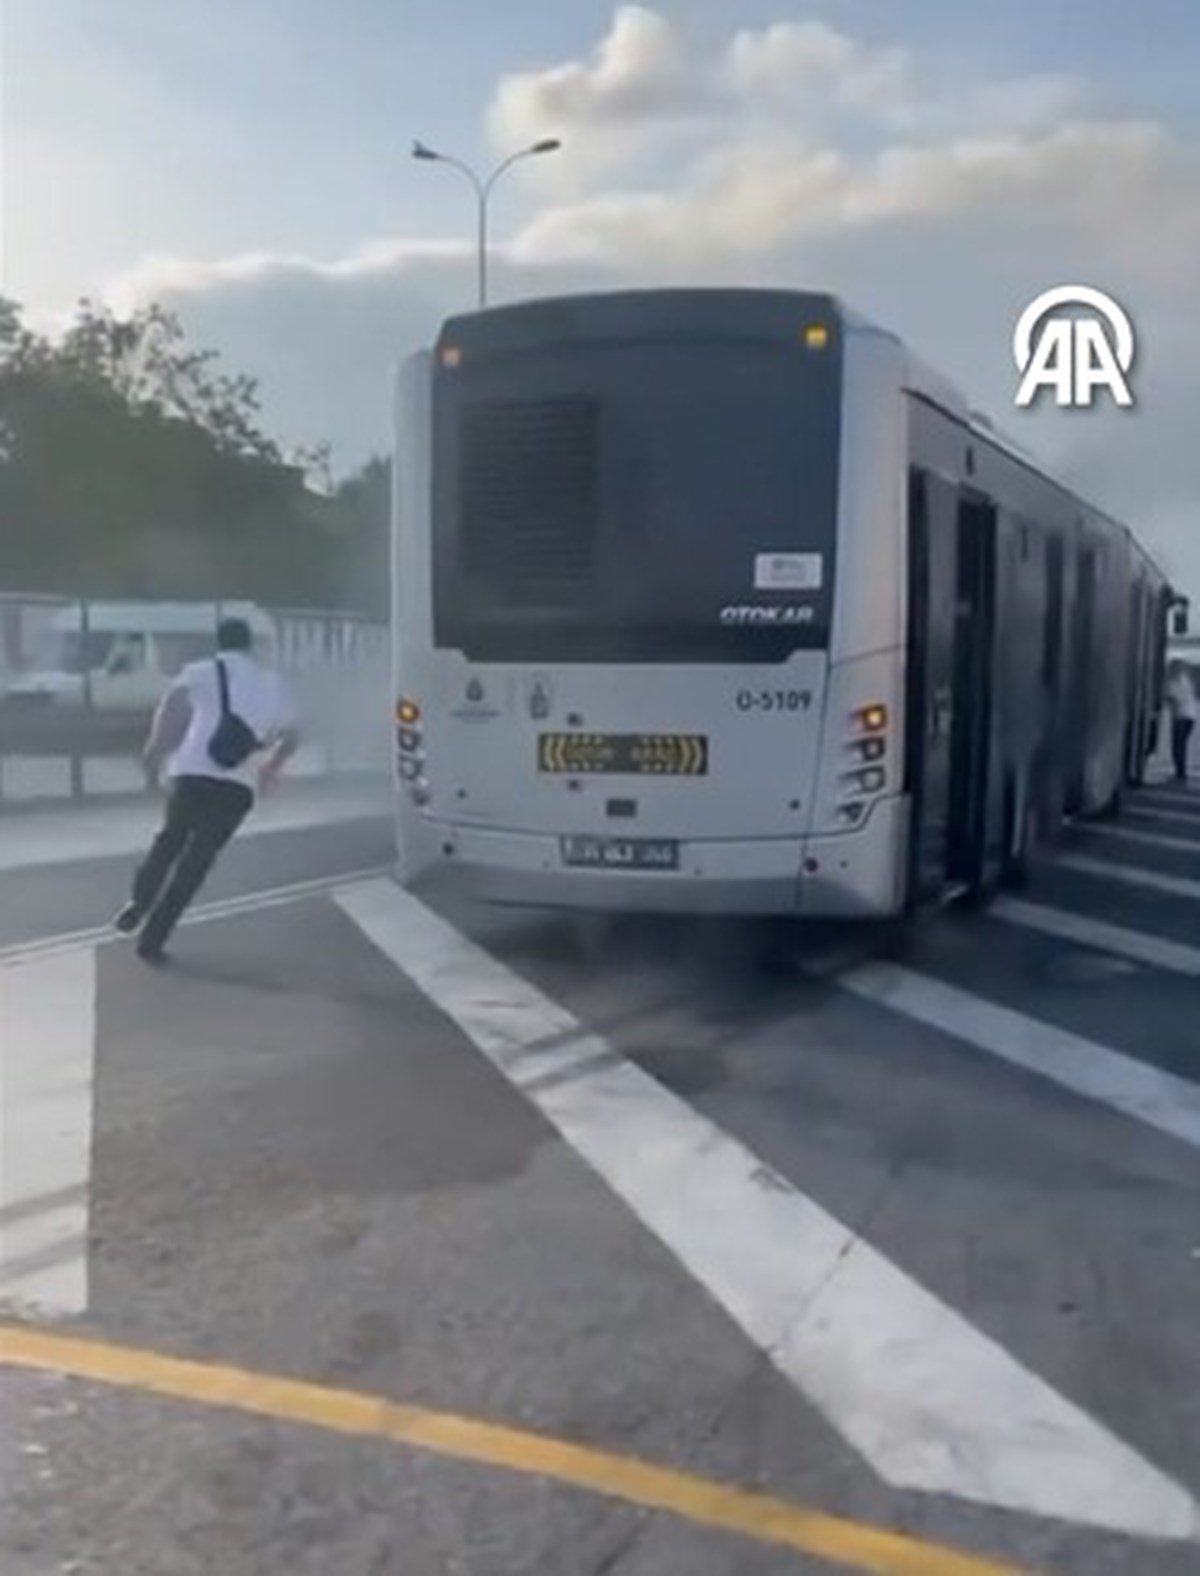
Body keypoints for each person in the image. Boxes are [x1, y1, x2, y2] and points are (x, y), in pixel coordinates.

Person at [114, 617, 299, 964]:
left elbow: (172, 710)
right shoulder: (274, 684)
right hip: (238, 785)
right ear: (250, 646)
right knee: (196, 862)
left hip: (191, 773)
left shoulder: (201, 671)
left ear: (220, 642)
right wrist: (272, 768)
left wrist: (154, 752)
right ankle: (153, 941)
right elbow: (294, 734)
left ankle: (139, 903)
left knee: (170, 839)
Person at [1165, 658, 1197, 785]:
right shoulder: (1185, 680)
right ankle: (1180, 772)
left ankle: (1180, 773)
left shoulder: (1174, 681)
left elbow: (1171, 697)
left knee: (1178, 746)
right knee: (1181, 745)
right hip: (1190, 716)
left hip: (1180, 716)